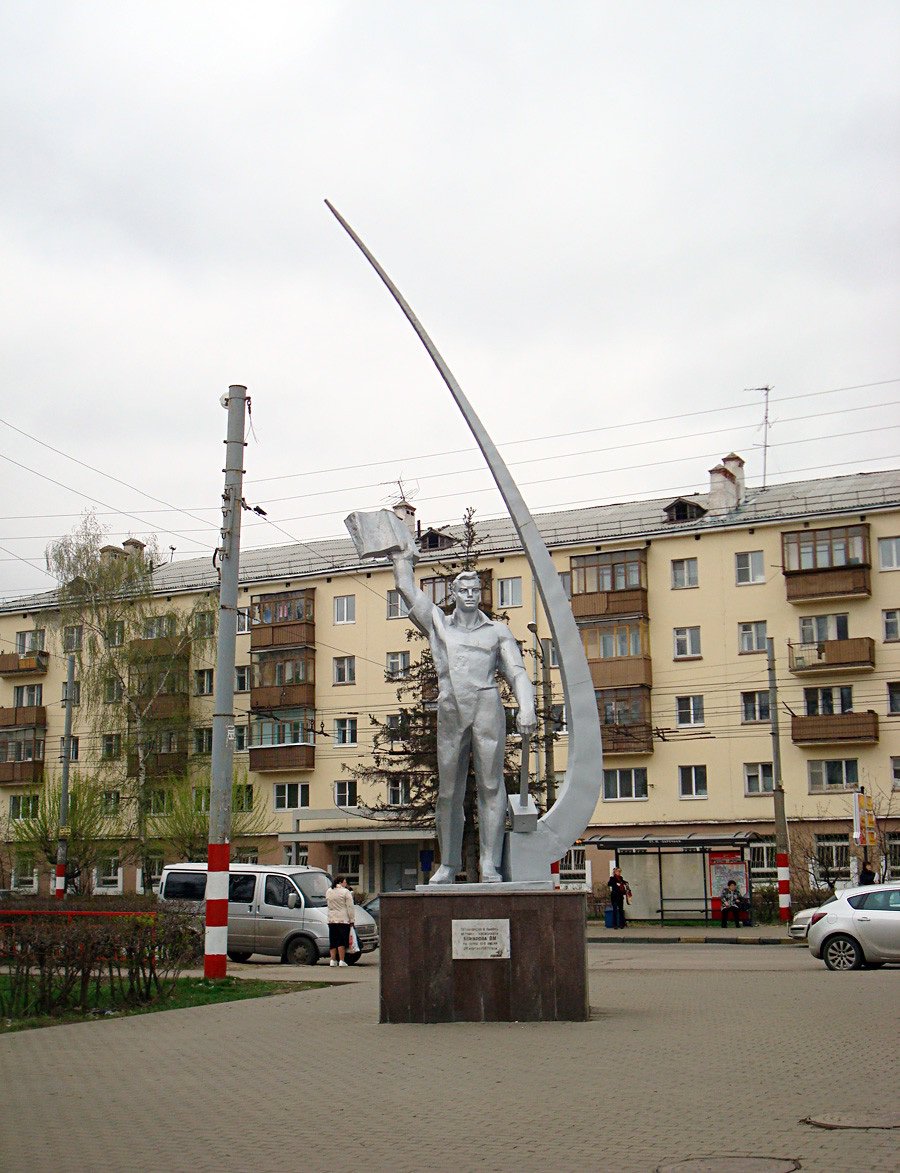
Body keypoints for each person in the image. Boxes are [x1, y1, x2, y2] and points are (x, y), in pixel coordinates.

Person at [391, 550, 537, 884]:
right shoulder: (438, 623)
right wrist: (400, 555)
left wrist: (526, 707)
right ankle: (449, 864)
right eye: (464, 591)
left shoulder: (497, 631)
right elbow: (406, 588)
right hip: (451, 708)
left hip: (487, 706)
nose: (470, 596)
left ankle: (489, 864)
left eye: (476, 591)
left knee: (490, 785)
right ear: (453, 595)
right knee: (448, 792)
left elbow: (516, 673)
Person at [326, 875, 355, 967]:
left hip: (331, 919)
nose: (346, 884)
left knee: (333, 939)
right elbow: (350, 907)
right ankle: (342, 960)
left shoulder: (329, 891)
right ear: (341, 882)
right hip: (343, 919)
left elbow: (328, 904)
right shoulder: (345, 892)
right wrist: (352, 919)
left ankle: (332, 960)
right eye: (345, 882)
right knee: (341, 940)